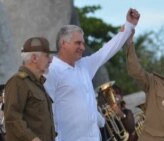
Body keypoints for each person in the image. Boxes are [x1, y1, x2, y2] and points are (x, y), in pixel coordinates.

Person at [44, 8, 140, 141]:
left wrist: (129, 25)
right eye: (78, 43)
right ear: (63, 43)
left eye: (83, 43)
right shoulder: (51, 70)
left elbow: (107, 51)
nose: (82, 47)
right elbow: (45, 111)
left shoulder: (84, 65)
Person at [4, 37, 56, 141]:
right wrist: (32, 138)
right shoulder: (18, 82)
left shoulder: (38, 83)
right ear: (34, 58)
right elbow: (12, 118)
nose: (50, 60)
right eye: (46, 56)